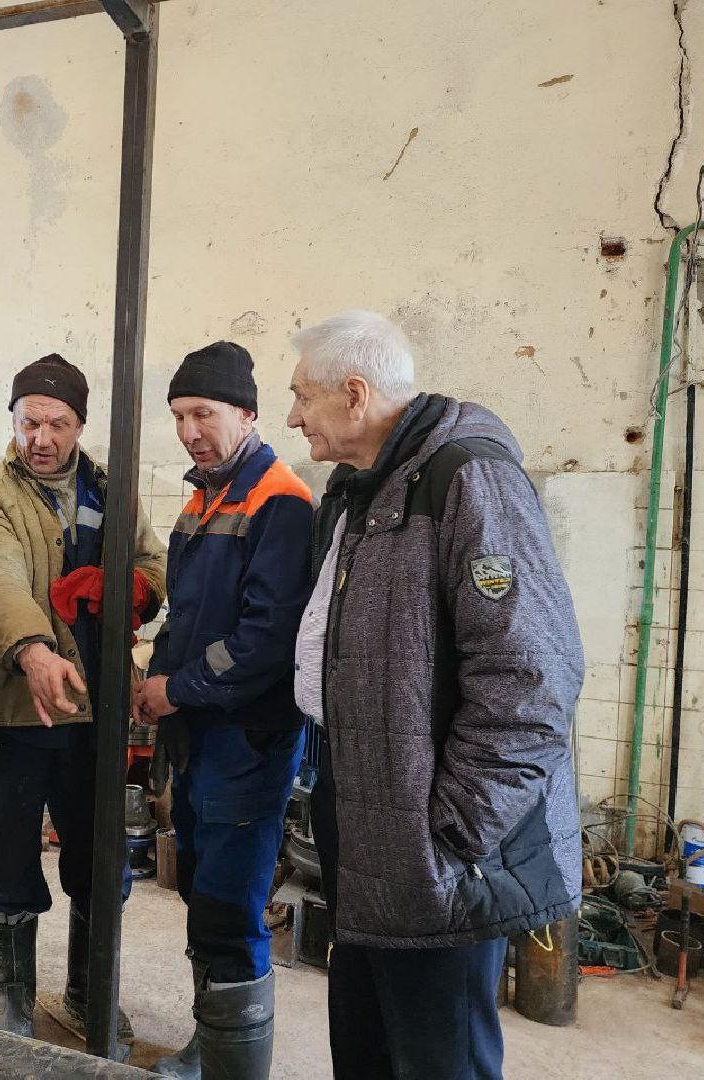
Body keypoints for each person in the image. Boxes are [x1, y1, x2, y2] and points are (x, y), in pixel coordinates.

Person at [285, 310, 583, 1080]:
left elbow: (533, 677)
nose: (293, 417)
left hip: (433, 855)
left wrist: (451, 834)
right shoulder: (358, 491)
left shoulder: (468, 476)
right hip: (362, 826)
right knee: (367, 1049)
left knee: (440, 1059)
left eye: (302, 398)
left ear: (353, 395)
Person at [0, 353, 166, 1039]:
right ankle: (14, 1000)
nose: (41, 437)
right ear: (12, 422)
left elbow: (152, 559)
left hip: (97, 716)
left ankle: (88, 990)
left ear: (80, 424)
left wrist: (136, 589)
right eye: (28, 422)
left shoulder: (116, 492)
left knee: (98, 859)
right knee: (7, 860)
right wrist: (33, 648)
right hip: (16, 714)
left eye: (56, 423)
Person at [134, 341, 314, 1079]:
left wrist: (173, 688)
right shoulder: (202, 500)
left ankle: (234, 1066)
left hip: (249, 738)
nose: (188, 430)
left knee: (232, 907)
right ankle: (213, 1044)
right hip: (201, 736)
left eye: (203, 413)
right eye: (179, 415)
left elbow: (265, 640)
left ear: (247, 413)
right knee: (204, 894)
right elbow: (186, 617)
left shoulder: (281, 501)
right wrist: (155, 669)